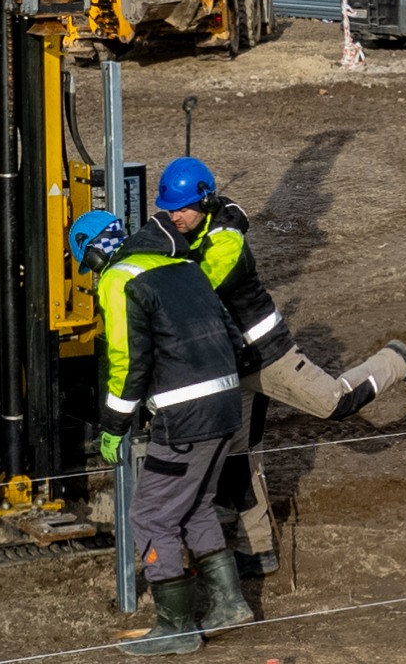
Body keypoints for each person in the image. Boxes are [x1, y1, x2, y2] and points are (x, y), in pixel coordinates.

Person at [152, 156, 406, 576]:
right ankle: (259, 548)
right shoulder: (191, 231)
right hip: (231, 365)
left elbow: (195, 290)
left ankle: (394, 360)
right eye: (168, 208)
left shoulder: (226, 244)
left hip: (269, 356)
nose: (173, 216)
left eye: (182, 208)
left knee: (334, 405)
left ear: (205, 201)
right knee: (238, 455)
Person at [73, 209, 254, 656]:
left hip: (184, 414)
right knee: (193, 505)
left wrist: (114, 425)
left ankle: (176, 628)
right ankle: (229, 605)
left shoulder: (119, 279)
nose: (92, 274)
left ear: (96, 253)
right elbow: (231, 336)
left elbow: (127, 360)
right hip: (226, 403)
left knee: (151, 516)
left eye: (88, 264)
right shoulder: (184, 265)